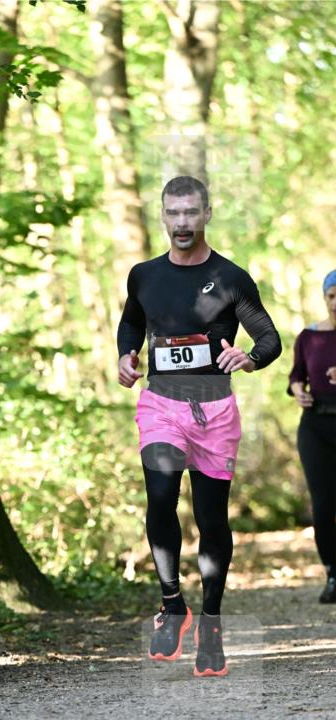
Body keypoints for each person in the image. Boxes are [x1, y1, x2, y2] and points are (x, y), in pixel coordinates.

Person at [117, 175, 282, 677]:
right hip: (161, 406)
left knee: (212, 521)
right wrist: (126, 354)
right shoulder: (144, 275)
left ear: (207, 214)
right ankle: (172, 605)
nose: (182, 223)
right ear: (162, 216)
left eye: (191, 213)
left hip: (214, 412)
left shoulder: (231, 278)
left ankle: (210, 623)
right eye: (174, 213)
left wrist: (248, 359)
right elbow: (132, 322)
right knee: (161, 498)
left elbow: (270, 338)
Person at [288, 269, 336, 603]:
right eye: (332, 295)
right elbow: (295, 376)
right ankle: (333, 573)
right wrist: (298, 391)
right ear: (325, 297)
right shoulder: (308, 336)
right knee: (322, 505)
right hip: (315, 425)